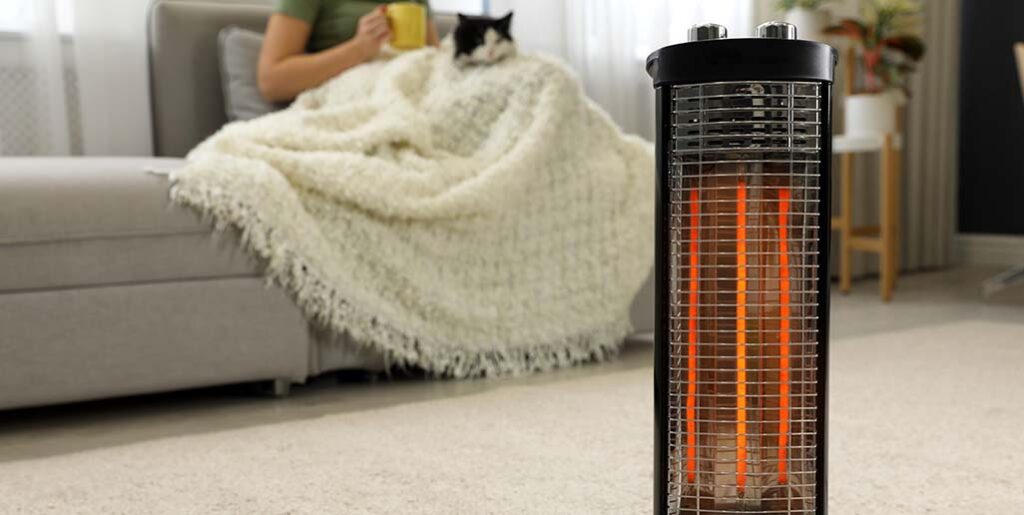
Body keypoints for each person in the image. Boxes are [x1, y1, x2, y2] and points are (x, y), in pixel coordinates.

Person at [258, 0, 440, 103]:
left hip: (414, 101)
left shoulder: (418, 3)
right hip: (350, 102)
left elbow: (439, 66)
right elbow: (272, 81)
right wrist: (359, 49)